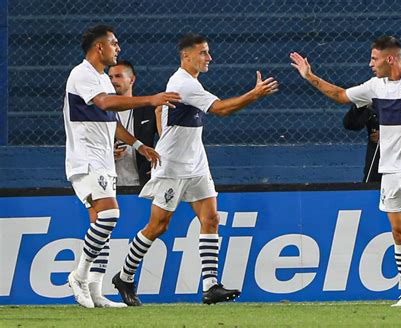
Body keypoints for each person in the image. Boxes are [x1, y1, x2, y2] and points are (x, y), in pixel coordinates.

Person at [290, 36, 401, 307]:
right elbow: (340, 95)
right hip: (390, 168)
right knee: (397, 231)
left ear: (390, 59)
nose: (371, 64)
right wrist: (309, 76)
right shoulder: (375, 87)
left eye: (374, 59)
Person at [112, 33, 279, 306]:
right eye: (203, 53)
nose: (209, 57)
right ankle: (125, 276)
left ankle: (211, 285)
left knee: (211, 218)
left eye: (208, 52)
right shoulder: (183, 83)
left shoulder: (191, 83)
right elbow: (221, 109)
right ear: (186, 56)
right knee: (158, 226)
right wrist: (254, 94)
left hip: (196, 162)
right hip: (173, 165)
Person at [63, 24, 181, 308]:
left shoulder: (102, 78)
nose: (118, 48)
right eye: (114, 43)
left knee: (100, 225)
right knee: (109, 216)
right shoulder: (82, 74)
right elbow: (104, 103)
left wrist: (140, 146)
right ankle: (78, 276)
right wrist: (150, 99)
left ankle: (95, 291)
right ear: (99, 47)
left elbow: (111, 121)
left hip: (104, 160)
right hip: (87, 158)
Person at [109, 60, 160, 187]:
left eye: (118, 76)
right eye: (110, 77)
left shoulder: (148, 111)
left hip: (144, 182)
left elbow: (166, 139)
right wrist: (108, 152)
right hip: (109, 182)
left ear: (131, 80)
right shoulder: (101, 111)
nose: (113, 81)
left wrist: (160, 167)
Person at [342, 104, 382, 182]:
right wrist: (361, 104)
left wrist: (389, 133)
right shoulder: (371, 98)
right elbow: (351, 124)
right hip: (376, 159)